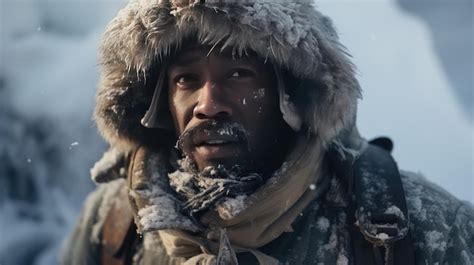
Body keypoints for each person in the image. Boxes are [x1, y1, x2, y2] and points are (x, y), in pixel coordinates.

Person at [61, 1, 474, 264]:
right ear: (160, 104)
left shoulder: (419, 229)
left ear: (294, 95)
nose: (208, 104)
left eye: (239, 73)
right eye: (186, 79)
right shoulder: (114, 224)